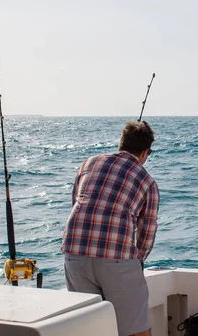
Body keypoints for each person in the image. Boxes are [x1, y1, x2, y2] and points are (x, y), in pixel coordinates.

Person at [61, 120, 159, 336]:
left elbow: (75, 203)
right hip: (117, 258)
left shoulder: (89, 164)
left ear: (121, 144)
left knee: (90, 329)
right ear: (145, 152)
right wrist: (136, 263)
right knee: (136, 331)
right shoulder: (147, 182)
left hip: (74, 254)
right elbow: (147, 233)